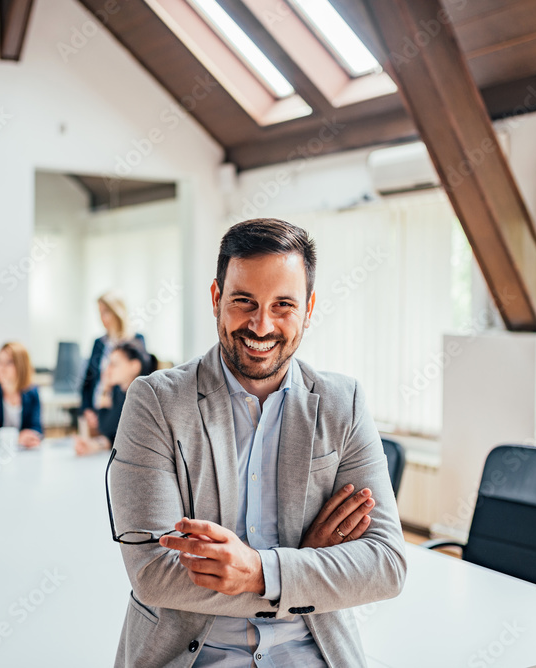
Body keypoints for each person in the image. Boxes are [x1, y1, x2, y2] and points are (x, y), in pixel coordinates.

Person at [109, 218, 406, 667]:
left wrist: (258, 571)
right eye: (244, 301)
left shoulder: (343, 404)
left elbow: (384, 565)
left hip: (315, 654)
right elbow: (154, 574)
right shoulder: (156, 402)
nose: (261, 325)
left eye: (283, 305)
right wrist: (302, 568)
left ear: (308, 308)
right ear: (216, 299)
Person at [75, 341, 155, 456]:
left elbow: (129, 440)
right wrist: (95, 445)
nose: (107, 370)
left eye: (114, 364)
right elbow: (109, 431)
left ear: (134, 366)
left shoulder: (144, 399)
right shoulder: (119, 393)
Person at [80, 292, 145, 426]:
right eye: (100, 313)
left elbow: (140, 380)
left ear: (117, 312)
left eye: (105, 312)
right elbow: (88, 380)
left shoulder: (135, 341)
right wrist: (87, 409)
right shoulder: (99, 343)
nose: (102, 318)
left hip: (122, 413)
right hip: (97, 410)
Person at [0, 341, 43, 448]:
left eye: (9, 362)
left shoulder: (32, 393)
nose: (1, 367)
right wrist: (16, 438)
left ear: (21, 366)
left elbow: (37, 428)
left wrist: (32, 436)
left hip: (22, 453)